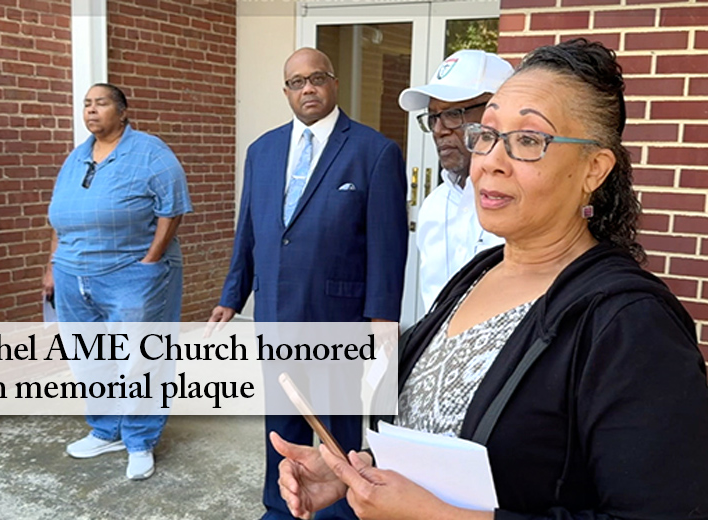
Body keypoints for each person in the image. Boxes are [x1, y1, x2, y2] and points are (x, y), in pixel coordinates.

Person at [273, 39, 708, 520]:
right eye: (487, 134)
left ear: (594, 169)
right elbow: (447, 438)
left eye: (528, 140)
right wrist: (358, 472)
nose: (491, 161)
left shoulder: (630, 327)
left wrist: (432, 515)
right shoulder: (476, 276)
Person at [208, 48, 408, 519]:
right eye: (297, 82)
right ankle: (282, 506)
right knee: (281, 424)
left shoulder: (373, 151)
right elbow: (250, 231)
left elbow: (387, 244)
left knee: (337, 430)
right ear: (286, 92)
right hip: (275, 316)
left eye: (317, 78)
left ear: (334, 84)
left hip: (338, 319)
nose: (308, 89)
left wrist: (383, 318)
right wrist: (231, 297)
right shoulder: (263, 151)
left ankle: (341, 511)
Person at [43, 83, 192, 480]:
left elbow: (172, 209)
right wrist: (52, 265)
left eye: (101, 103)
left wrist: (150, 262)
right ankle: (106, 429)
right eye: (86, 104)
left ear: (123, 111)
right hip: (74, 274)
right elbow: (59, 215)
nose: (91, 111)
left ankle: (140, 439)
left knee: (142, 358)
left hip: (132, 273)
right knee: (89, 358)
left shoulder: (150, 152)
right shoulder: (77, 157)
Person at [398, 50, 511, 311]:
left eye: (453, 113)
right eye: (434, 117)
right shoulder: (434, 207)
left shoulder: (526, 202)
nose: (439, 129)